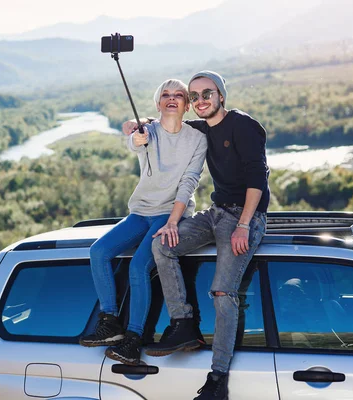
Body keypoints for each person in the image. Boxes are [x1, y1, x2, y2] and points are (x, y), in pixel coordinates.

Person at [122, 71, 270, 400]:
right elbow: (159, 120)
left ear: (221, 96)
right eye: (195, 96)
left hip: (244, 217)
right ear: (191, 103)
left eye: (208, 93)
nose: (201, 100)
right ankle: (184, 323)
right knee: (162, 244)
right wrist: (135, 127)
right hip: (216, 213)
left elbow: (257, 177)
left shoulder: (244, 125)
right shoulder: (201, 128)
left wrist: (244, 225)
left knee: (222, 291)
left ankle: (217, 379)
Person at [79, 79, 208, 366]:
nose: (171, 98)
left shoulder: (197, 139)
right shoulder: (147, 131)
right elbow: (135, 140)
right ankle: (110, 321)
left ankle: (133, 338)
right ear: (158, 103)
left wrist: (174, 222)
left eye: (179, 95)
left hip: (168, 213)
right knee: (98, 252)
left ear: (187, 105)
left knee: (139, 266)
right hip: (140, 212)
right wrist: (134, 138)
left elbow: (189, 182)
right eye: (165, 94)